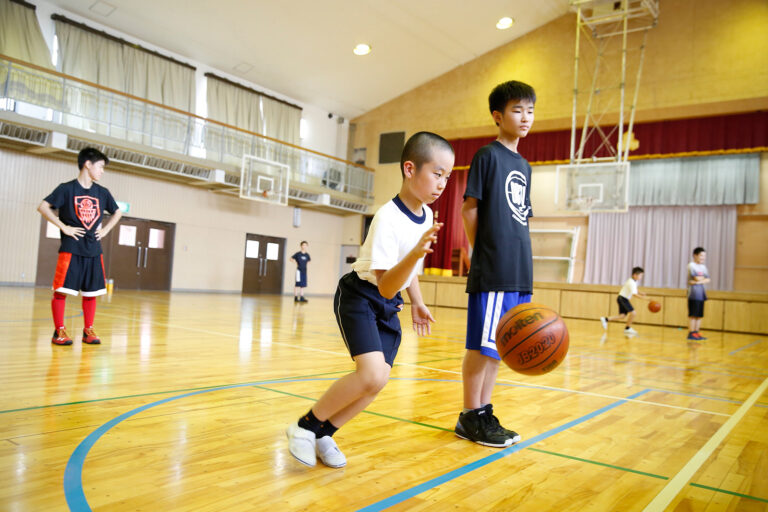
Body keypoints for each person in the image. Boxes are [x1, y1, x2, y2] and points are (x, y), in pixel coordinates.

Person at [285, 131, 453, 468]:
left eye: (447, 177)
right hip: (361, 296)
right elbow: (387, 284)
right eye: (437, 173)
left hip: (388, 306)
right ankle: (303, 427)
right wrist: (414, 256)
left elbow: (409, 274)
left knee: (378, 382)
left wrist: (418, 301)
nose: (442, 183)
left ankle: (325, 433)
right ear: (410, 168)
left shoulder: (424, 217)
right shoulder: (387, 218)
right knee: (369, 373)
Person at [456, 80, 536, 448]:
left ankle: (484, 413)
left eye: (530, 110)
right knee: (482, 346)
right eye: (518, 109)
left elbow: (520, 216)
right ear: (498, 116)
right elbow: (469, 208)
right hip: (494, 267)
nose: (525, 117)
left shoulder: (525, 165)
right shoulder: (488, 156)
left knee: (501, 346)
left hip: (519, 269)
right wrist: (480, 253)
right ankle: (470, 416)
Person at [37, 147, 122, 346]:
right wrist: (63, 227)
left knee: (91, 293)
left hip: (94, 250)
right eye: (100, 167)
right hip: (71, 249)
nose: (102, 171)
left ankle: (88, 330)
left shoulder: (102, 192)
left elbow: (117, 212)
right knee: (61, 291)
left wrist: (106, 230)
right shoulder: (66, 189)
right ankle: (59, 331)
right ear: (88, 164)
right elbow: (43, 206)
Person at [599, 267, 651, 336]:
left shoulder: (634, 281)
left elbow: (635, 289)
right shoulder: (631, 282)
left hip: (622, 298)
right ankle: (627, 328)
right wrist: (645, 298)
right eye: (640, 275)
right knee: (633, 313)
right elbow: (634, 294)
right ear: (635, 275)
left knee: (622, 316)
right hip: (623, 299)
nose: (641, 277)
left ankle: (605, 319)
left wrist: (640, 292)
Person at [687, 247, 710, 341]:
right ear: (695, 255)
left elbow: (708, 279)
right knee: (693, 314)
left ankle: (697, 332)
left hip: (701, 294)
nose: (703, 257)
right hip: (693, 293)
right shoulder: (691, 265)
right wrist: (701, 279)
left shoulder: (703, 267)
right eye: (701, 255)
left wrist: (698, 281)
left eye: (704, 255)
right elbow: (696, 277)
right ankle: (691, 333)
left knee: (699, 315)